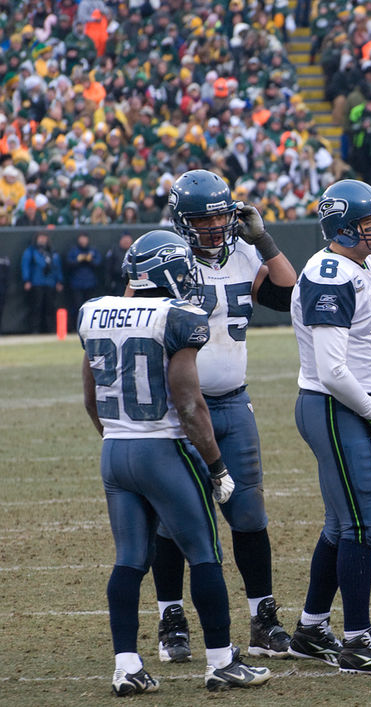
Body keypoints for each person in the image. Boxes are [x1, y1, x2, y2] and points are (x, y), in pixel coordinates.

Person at [79, 230, 271, 695]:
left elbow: (89, 396)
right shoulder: (180, 315)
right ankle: (222, 661)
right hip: (161, 449)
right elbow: (189, 404)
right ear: (173, 271)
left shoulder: (94, 310)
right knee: (204, 552)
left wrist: (117, 437)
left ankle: (127, 667)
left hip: (115, 452)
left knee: (129, 560)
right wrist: (218, 466)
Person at [153, 170, 297, 664]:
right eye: (203, 219)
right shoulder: (167, 260)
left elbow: (286, 293)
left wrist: (264, 239)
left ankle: (263, 617)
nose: (214, 226)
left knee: (249, 514)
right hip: (179, 409)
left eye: (220, 216)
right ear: (182, 221)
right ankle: (171, 617)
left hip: (233, 403)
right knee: (174, 520)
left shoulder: (243, 252)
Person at [287, 179, 371, 673]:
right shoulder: (330, 274)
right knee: (362, 523)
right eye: (370, 222)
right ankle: (357, 642)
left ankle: (311, 628)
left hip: (339, 405)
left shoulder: (351, 266)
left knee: (342, 525)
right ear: (343, 229)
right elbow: (332, 370)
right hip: (331, 405)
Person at [21, 232, 63, 333]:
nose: (42, 240)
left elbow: (57, 267)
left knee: (50, 307)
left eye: (44, 238)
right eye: (41, 238)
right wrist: (27, 280)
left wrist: (59, 280)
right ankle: (35, 330)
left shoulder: (52, 252)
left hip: (50, 283)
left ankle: (50, 330)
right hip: (36, 283)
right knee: (36, 307)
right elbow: (25, 266)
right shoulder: (31, 251)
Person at [65, 233, 102, 331]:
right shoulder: (74, 251)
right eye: (81, 239)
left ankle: (91, 327)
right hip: (77, 284)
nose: (83, 242)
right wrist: (78, 260)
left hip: (90, 283)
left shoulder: (93, 250)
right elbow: (68, 263)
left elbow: (98, 263)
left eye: (85, 239)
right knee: (77, 306)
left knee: (90, 307)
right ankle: (76, 328)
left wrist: (90, 260)